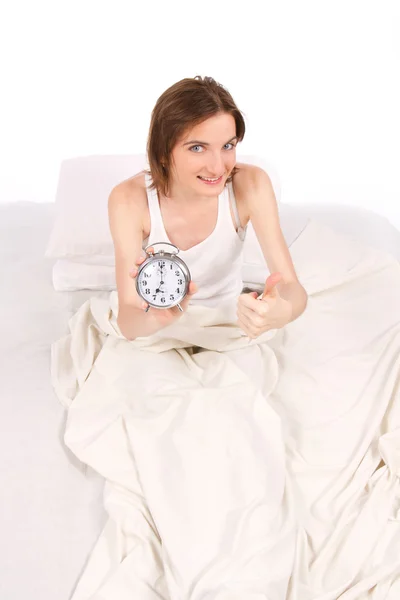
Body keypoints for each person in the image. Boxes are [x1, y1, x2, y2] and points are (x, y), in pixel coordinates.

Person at [108, 75, 308, 341]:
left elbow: (292, 287)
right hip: (155, 334)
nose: (217, 167)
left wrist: (282, 311)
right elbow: (129, 321)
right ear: (163, 152)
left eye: (227, 146)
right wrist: (157, 317)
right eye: (197, 148)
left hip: (226, 329)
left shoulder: (250, 185)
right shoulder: (129, 199)